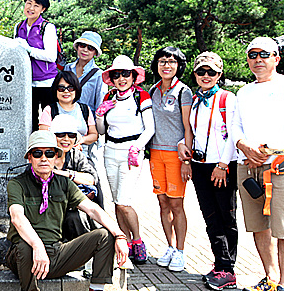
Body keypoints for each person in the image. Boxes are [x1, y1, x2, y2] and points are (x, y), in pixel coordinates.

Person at [5, 130, 128, 291]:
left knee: (105, 236)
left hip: (56, 254)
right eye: (37, 153)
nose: (43, 158)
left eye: (49, 153)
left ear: (56, 156)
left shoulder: (63, 183)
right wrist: (37, 246)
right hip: (24, 258)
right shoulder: (17, 184)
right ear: (29, 157)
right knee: (24, 245)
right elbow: (17, 218)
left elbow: (92, 209)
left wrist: (120, 235)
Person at [232, 37, 284, 291]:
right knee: (258, 226)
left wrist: (265, 150)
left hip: (281, 166)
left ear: (276, 58)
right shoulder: (243, 92)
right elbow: (235, 126)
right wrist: (244, 146)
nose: (258, 59)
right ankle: (270, 277)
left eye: (264, 54)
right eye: (252, 55)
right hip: (247, 165)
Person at [183, 52, 238, 290]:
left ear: (219, 74)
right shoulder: (195, 100)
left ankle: (228, 269)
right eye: (201, 71)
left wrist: (223, 165)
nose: (206, 76)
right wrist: (183, 147)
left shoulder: (227, 98)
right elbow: (192, 131)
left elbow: (234, 134)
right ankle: (220, 263)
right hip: (200, 165)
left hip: (222, 165)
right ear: (195, 73)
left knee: (227, 217)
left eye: (211, 72)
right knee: (210, 217)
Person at [96, 55, 154, 266]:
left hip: (132, 152)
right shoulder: (109, 97)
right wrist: (100, 115)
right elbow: (102, 130)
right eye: (116, 75)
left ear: (133, 76)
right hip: (110, 151)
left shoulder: (141, 96)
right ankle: (125, 241)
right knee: (116, 202)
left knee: (124, 201)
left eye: (126, 74)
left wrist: (137, 147)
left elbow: (150, 128)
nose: (121, 78)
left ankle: (137, 240)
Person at [148, 46, 193, 272]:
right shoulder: (153, 90)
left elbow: (188, 127)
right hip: (155, 153)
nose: (166, 65)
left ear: (179, 66)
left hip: (176, 156)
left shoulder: (183, 91)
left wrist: (186, 161)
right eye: (162, 61)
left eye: (172, 61)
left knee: (176, 204)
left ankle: (181, 251)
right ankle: (170, 246)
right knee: (163, 202)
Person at [49, 114, 99, 242]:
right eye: (61, 134)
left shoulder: (76, 155)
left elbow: (92, 178)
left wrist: (67, 174)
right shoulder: (43, 154)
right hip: (48, 209)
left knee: (78, 218)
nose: (66, 139)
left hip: (74, 208)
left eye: (71, 135)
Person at [14, 0, 58, 131]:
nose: (31, 8)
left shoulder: (47, 27)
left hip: (47, 82)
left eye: (36, 5)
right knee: (28, 122)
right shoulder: (18, 27)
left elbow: (51, 56)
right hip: (26, 82)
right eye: (29, 3)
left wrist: (29, 49)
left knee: (48, 122)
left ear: (43, 9)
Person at [64, 31, 107, 161]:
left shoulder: (99, 75)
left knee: (85, 162)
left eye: (90, 48)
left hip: (86, 126)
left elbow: (100, 105)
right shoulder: (67, 68)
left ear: (95, 52)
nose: (85, 50)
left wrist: (95, 131)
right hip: (65, 122)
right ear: (77, 47)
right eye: (82, 45)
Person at [38, 71, 98, 160]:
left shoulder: (85, 109)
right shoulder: (49, 110)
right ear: (55, 90)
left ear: (76, 89)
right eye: (61, 88)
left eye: (70, 88)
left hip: (82, 157)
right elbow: (44, 137)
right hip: (57, 159)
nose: (66, 91)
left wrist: (81, 140)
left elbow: (94, 135)